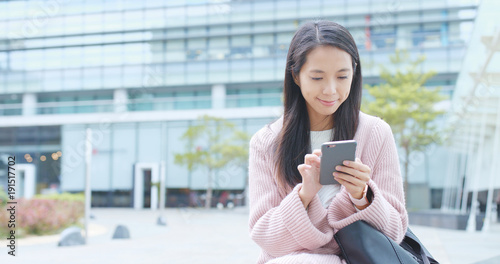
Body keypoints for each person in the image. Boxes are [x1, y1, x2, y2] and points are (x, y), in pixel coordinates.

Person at [248, 21, 408, 263]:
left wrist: (361, 195)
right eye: (317, 77)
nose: (331, 90)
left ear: (354, 74)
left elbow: (395, 233)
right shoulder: (266, 142)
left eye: (343, 76)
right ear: (296, 76)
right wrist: (304, 194)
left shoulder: (376, 133)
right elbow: (265, 236)